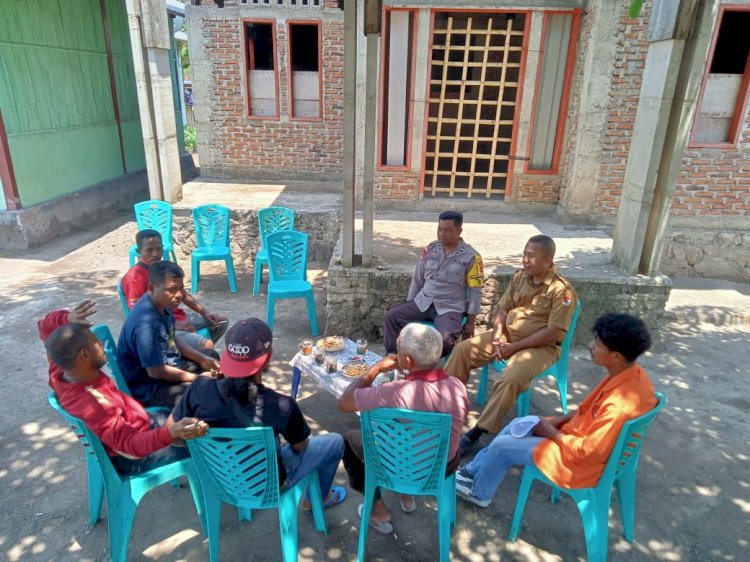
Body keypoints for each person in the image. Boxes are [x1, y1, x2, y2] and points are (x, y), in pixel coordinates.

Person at [455, 313, 657, 507]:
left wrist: (550, 432)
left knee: (502, 448)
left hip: (582, 465)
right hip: (579, 439)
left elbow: (588, 454)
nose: (590, 346)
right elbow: (587, 411)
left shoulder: (619, 404)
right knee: (520, 424)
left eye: (597, 344)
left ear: (615, 356)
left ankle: (479, 493)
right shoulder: (629, 374)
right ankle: (473, 471)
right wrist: (559, 421)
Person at [171, 318, 347, 510]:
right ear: (268, 357)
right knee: (335, 442)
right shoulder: (282, 406)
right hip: (268, 485)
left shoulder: (198, 389)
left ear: (227, 355)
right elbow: (301, 447)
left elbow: (172, 435)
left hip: (221, 477)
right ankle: (316, 500)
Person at [39, 301, 209, 475]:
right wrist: (169, 434)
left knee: (195, 410)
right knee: (208, 442)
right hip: (136, 455)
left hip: (141, 423)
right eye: (95, 342)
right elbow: (129, 445)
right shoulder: (94, 403)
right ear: (84, 354)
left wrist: (66, 318)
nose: (101, 345)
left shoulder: (63, 367)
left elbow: (44, 328)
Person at [445, 235, 578, 456]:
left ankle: (478, 432)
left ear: (548, 260)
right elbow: (503, 310)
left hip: (540, 347)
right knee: (463, 350)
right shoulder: (520, 278)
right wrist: (498, 336)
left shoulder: (561, 291)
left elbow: (554, 331)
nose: (525, 260)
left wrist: (514, 348)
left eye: (531, 256)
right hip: (507, 337)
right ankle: (444, 405)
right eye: (525, 254)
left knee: (510, 378)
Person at [337, 323, 469, 534]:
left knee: (348, 440)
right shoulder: (457, 386)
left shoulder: (394, 392)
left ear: (407, 361)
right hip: (444, 465)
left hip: (401, 465)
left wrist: (377, 368)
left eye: (398, 350)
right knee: (413, 432)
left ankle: (379, 511)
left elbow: (344, 402)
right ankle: (406, 496)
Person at [116, 260, 221, 408]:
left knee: (211, 356)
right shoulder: (147, 325)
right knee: (203, 395)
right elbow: (156, 372)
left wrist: (202, 359)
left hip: (168, 365)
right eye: (172, 289)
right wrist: (196, 379)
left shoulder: (162, 304)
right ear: (151, 288)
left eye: (181, 289)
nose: (178, 295)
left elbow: (173, 338)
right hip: (149, 387)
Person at [383, 211, 483, 357]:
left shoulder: (471, 256)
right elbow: (418, 279)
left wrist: (471, 323)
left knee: (445, 340)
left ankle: (425, 367)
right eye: (439, 229)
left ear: (459, 231)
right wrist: (410, 305)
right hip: (423, 302)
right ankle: (392, 357)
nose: (442, 234)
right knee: (391, 316)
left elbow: (475, 291)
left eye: (448, 230)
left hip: (450, 307)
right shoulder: (430, 249)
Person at [122, 229, 229, 348]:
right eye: (149, 250)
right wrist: (174, 324)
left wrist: (205, 312)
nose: (155, 254)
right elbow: (138, 313)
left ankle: (195, 357)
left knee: (221, 321)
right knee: (207, 345)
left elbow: (182, 293)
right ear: (138, 251)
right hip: (160, 326)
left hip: (178, 317)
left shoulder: (162, 268)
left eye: (159, 249)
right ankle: (195, 356)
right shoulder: (135, 277)